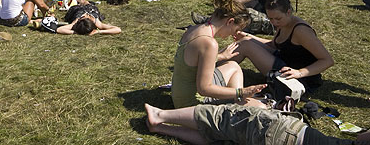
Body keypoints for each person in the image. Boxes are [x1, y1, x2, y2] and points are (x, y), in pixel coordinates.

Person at [171, 0, 266, 109]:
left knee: (233, 65)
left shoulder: (194, 29)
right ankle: (238, 104)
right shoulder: (209, 43)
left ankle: (238, 102)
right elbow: (204, 88)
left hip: (180, 94)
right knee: (260, 107)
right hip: (191, 104)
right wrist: (241, 91)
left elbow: (193, 61)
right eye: (236, 29)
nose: (235, 33)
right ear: (230, 21)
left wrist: (221, 56)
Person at [232, 0, 334, 92]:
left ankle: (219, 70)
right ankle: (219, 64)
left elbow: (327, 60)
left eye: (278, 18)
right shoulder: (283, 24)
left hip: (297, 77)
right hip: (283, 61)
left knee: (246, 45)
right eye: (270, 18)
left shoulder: (301, 31)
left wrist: (300, 72)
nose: (274, 22)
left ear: (288, 12)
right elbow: (274, 45)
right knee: (245, 41)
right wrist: (248, 36)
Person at [144, 102, 370, 145]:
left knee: (225, 117)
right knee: (226, 138)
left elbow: (362, 137)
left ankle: (161, 116)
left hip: (288, 136)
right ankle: (160, 127)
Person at [53, 0, 121, 35]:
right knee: (89, 5)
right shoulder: (96, 22)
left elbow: (59, 30)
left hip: (77, 10)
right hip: (92, 9)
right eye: (88, 17)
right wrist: (98, 32)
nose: (87, 15)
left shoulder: (76, 22)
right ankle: (81, 0)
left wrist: (74, 31)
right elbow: (117, 29)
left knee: (80, 6)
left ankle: (80, 0)